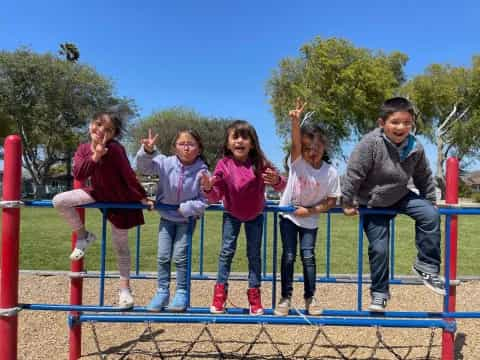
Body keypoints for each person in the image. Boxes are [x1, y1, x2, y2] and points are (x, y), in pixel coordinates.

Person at [341, 96, 446, 312]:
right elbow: (353, 173)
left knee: (430, 215)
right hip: (373, 200)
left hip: (400, 194)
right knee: (379, 249)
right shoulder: (371, 143)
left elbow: (423, 175)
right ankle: (379, 293)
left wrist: (430, 199)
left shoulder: (415, 146)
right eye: (395, 122)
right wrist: (347, 201)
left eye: (407, 123)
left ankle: (426, 265)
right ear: (382, 124)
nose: (401, 127)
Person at [52, 110, 153, 309]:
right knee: (59, 200)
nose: (100, 131)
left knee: (121, 247)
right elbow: (79, 173)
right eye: (98, 125)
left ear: (114, 135)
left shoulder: (115, 149)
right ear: (91, 124)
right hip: (97, 194)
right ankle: (84, 236)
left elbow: (127, 174)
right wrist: (96, 155)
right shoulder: (83, 149)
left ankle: (125, 291)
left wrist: (141, 195)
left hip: (121, 201)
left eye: (107, 130)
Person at [200, 120, 286, 315]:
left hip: (255, 216)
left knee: (254, 255)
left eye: (244, 137)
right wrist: (207, 188)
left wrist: (277, 180)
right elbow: (215, 196)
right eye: (235, 137)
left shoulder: (260, 164)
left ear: (252, 143)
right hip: (231, 215)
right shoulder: (224, 164)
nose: (239, 141)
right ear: (228, 143)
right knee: (226, 252)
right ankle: (220, 294)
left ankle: (254, 296)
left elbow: (282, 187)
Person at [274, 99, 340, 316]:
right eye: (308, 148)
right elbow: (294, 143)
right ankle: (285, 298)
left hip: (309, 219)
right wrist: (295, 121)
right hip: (289, 216)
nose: (312, 152)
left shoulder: (330, 172)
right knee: (289, 255)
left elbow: (331, 201)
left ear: (324, 148)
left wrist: (309, 211)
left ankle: (310, 297)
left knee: (308, 256)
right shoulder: (298, 162)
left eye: (317, 148)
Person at [135, 128, 209, 312]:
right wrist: (148, 151)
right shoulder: (165, 162)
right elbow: (144, 166)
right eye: (182, 144)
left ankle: (182, 292)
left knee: (181, 257)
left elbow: (205, 199)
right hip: (166, 218)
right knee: (163, 256)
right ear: (175, 147)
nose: (186, 148)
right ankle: (162, 292)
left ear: (199, 149)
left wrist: (185, 208)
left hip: (186, 220)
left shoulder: (202, 170)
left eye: (191, 144)